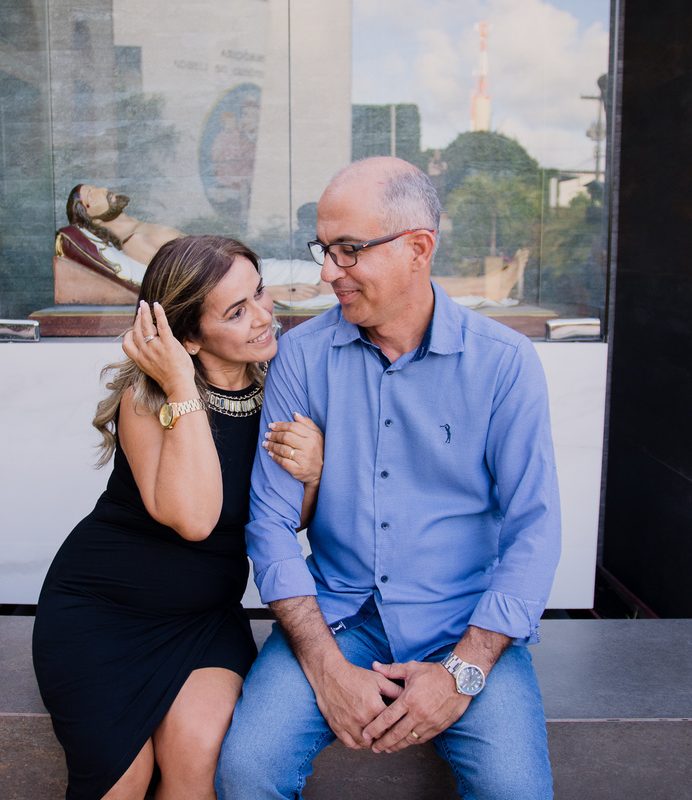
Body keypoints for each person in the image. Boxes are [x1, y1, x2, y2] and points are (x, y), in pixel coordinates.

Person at [217, 157, 561, 799]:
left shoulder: (505, 364)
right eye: (323, 249)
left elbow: (534, 531)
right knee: (246, 771)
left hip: (466, 622)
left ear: (418, 249)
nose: (326, 272)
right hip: (337, 619)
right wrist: (323, 667)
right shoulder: (301, 355)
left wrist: (465, 670)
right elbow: (268, 523)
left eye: (348, 251)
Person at [33, 235, 325, 800]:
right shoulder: (146, 400)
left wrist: (311, 475)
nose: (265, 316)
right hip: (102, 614)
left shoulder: (282, 387)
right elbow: (193, 518)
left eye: (260, 293)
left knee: (198, 757)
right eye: (237, 312)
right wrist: (178, 382)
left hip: (204, 621)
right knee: (125, 780)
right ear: (186, 336)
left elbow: (289, 519)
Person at [55, 185, 322, 304]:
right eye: (94, 194)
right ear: (90, 211)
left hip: (241, 271)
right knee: (324, 283)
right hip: (241, 281)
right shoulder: (135, 243)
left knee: (326, 274)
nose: (103, 190)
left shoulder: (140, 229)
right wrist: (268, 292)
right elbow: (191, 281)